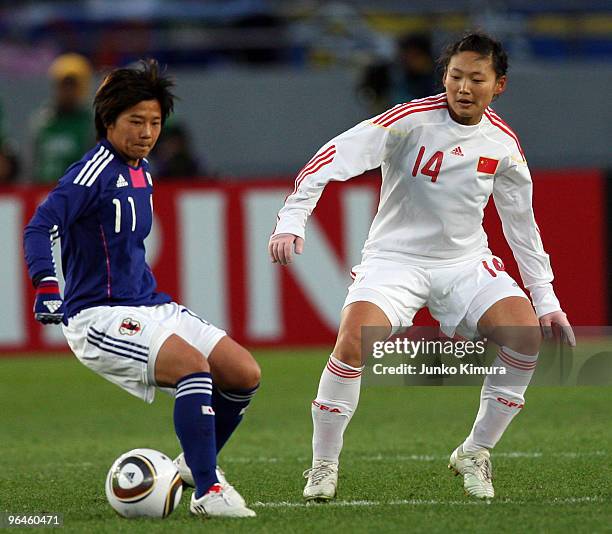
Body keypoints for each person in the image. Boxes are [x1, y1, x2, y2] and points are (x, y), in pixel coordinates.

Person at [269, 32, 575, 501]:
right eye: (456, 76)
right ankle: (322, 467)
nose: (464, 87)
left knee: (525, 337)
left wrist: (546, 299)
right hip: (394, 261)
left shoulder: (504, 144)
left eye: (477, 78)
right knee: (352, 343)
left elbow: (522, 226)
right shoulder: (410, 121)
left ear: (499, 86)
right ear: (444, 77)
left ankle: (475, 451)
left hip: (464, 262)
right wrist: (292, 219)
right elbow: (331, 157)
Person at [24, 59, 260, 518]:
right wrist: (45, 285)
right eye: (136, 121)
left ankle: (192, 465)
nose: (147, 132)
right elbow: (39, 225)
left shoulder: (143, 169)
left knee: (243, 373)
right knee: (193, 367)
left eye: (154, 122)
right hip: (98, 314)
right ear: (108, 121)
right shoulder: (91, 173)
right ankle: (209, 493)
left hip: (150, 304)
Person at [30, 53, 95, 184]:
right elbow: (34, 163)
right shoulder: (43, 122)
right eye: (64, 85)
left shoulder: (91, 124)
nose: (68, 91)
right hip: (44, 193)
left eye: (73, 85)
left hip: (78, 194)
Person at [358, 33, 438, 115]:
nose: (409, 61)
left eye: (415, 56)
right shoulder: (391, 74)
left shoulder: (440, 77)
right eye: (406, 56)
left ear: (426, 56)